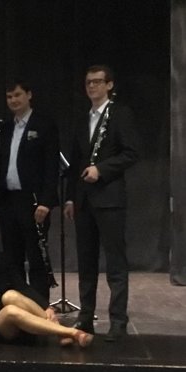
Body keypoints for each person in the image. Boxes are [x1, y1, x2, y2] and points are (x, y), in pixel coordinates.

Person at [64, 65, 139, 342]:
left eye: (97, 82)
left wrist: (102, 169)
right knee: (86, 262)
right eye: (88, 82)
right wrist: (71, 197)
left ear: (109, 85)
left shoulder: (120, 114)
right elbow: (75, 162)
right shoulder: (82, 118)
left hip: (110, 200)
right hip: (84, 201)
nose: (92, 86)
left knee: (115, 262)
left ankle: (118, 321)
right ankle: (86, 317)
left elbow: (131, 153)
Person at [0, 215, 93, 347]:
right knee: (10, 311)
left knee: (10, 295)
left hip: (7, 308)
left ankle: (62, 332)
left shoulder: (0, 258)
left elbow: (22, 286)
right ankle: (71, 332)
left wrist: (46, 307)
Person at [0, 80, 60, 301]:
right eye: (9, 97)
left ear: (29, 95)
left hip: (33, 202)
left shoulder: (44, 125)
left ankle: (40, 306)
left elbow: (52, 166)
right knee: (12, 259)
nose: (13, 100)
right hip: (9, 200)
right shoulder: (5, 127)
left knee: (36, 257)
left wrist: (46, 202)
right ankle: (19, 304)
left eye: (17, 95)